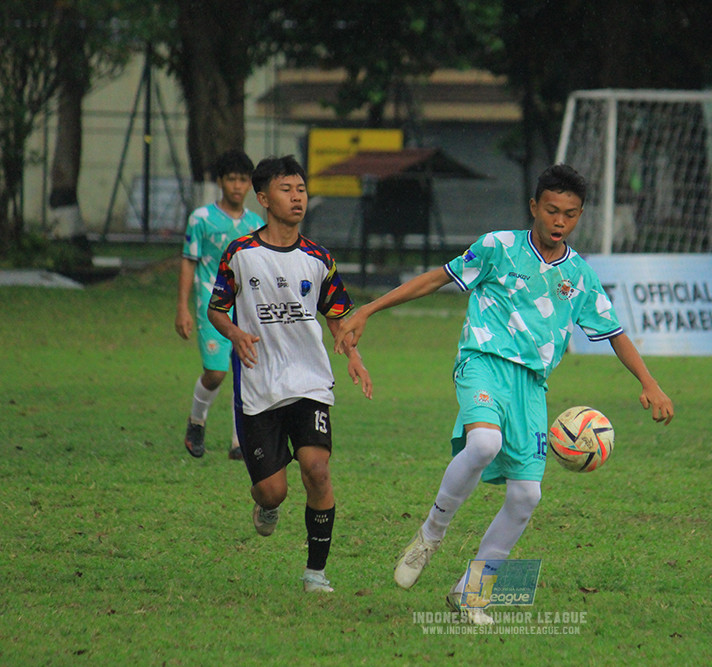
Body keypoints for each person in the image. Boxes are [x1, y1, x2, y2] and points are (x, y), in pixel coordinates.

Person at [334, 164, 674, 623]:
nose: (559, 221)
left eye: (570, 214)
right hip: (483, 362)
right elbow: (437, 278)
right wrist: (369, 310)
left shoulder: (579, 275)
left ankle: (472, 592)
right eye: (551, 210)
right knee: (484, 443)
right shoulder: (498, 247)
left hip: (531, 386)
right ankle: (430, 535)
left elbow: (613, 332)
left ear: (579, 216)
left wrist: (649, 383)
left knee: (527, 496)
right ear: (534, 206)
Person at [207, 155, 372, 593]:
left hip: (309, 380)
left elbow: (337, 315)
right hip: (259, 384)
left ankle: (315, 573)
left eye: (301, 189)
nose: (297, 197)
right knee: (272, 491)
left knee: (317, 469)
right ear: (263, 199)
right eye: (286, 189)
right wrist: (234, 333)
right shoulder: (240, 255)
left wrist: (353, 356)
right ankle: (265, 504)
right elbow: (216, 309)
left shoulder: (318, 258)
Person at [176, 149, 264, 460]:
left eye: (243, 180)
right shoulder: (201, 219)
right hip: (211, 305)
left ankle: (239, 441)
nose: (237, 186)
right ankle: (196, 422)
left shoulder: (255, 223)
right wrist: (182, 308)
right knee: (216, 373)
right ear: (221, 182)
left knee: (246, 371)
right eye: (232, 179)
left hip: (246, 308)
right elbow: (189, 261)